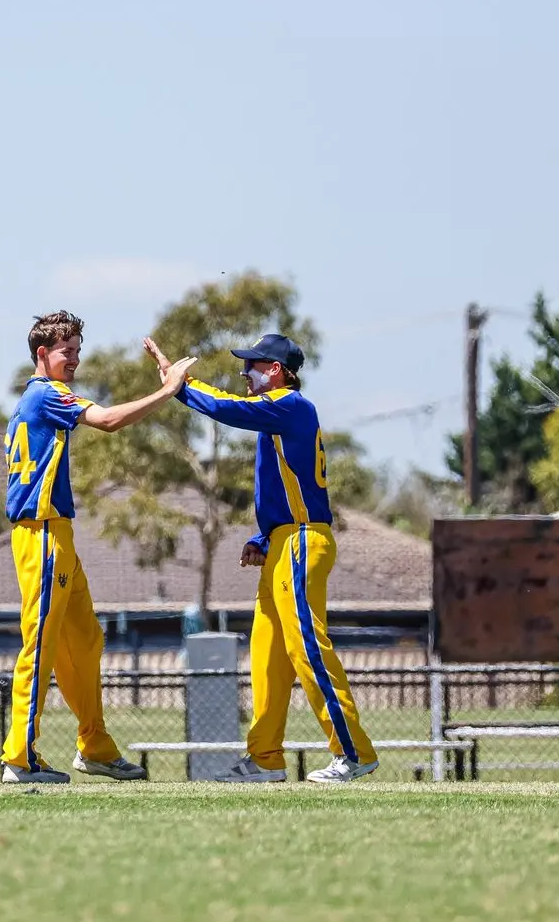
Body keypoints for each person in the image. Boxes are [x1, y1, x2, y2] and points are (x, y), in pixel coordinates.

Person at [145, 333, 380, 783]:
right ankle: (266, 759)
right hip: (285, 542)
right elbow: (282, 488)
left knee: (307, 648)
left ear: (275, 370)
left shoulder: (290, 404)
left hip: (304, 542)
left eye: (251, 364)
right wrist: (263, 536)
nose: (244, 372)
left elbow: (227, 408)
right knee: (268, 655)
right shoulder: (279, 415)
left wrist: (181, 384)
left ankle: (353, 751)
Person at [0, 311, 195, 783]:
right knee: (41, 645)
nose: (76, 360)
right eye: (68, 352)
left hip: (56, 535)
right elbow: (106, 420)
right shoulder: (48, 393)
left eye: (78, 351)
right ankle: (19, 757)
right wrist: (168, 390)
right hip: (41, 533)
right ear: (43, 355)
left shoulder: (38, 396)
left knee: (85, 641)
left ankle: (95, 747)